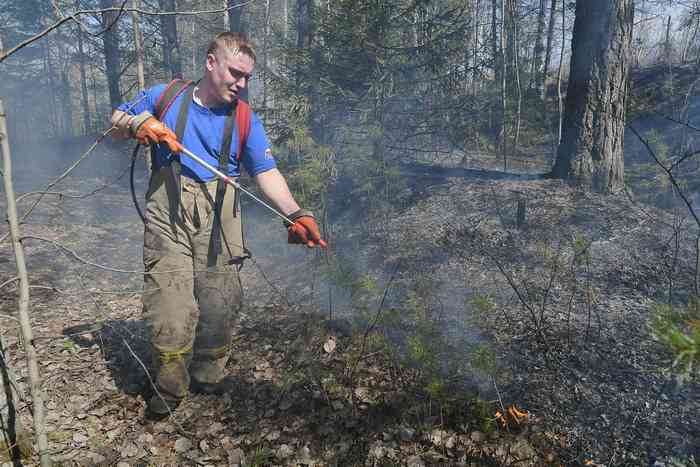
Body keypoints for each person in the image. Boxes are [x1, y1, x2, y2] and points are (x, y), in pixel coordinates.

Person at [110, 32, 325, 420]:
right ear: (211, 63)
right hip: (168, 210)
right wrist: (139, 123)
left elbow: (267, 172)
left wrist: (296, 213)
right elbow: (114, 120)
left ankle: (208, 372)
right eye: (235, 73)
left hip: (221, 214)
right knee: (170, 304)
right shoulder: (167, 97)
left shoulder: (244, 118)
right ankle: (171, 384)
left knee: (220, 299)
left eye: (247, 78)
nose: (241, 84)